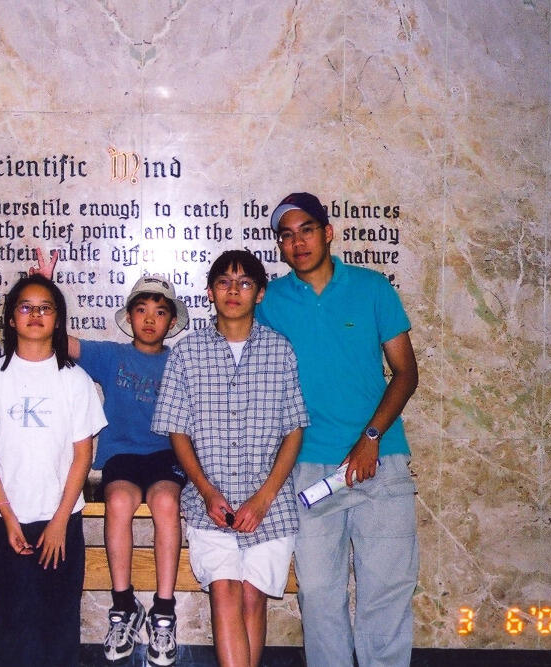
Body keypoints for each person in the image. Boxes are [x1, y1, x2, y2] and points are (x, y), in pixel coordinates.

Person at [256, 191, 420, 667]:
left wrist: (370, 439)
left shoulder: (372, 288)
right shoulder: (271, 304)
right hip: (307, 470)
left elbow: (406, 373)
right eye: (286, 236)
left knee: (386, 593)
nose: (297, 242)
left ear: (327, 232)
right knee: (320, 597)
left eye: (306, 229)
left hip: (379, 461)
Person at [31, 250, 189, 665]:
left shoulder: (181, 363)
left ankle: (164, 611)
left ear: (172, 322)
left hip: (165, 456)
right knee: (117, 501)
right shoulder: (111, 355)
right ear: (129, 317)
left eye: (159, 312)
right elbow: (56, 340)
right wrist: (45, 286)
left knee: (166, 503)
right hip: (121, 456)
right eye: (141, 310)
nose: (150, 319)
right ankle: (123, 606)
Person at [152, 250, 308, 667]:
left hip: (269, 502)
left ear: (259, 294)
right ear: (209, 292)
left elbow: (294, 428)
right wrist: (205, 490)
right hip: (210, 503)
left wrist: (264, 497)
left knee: (254, 599)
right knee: (225, 591)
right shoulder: (187, 354)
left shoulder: (280, 351)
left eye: (244, 283)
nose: (233, 291)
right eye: (224, 282)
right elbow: (177, 429)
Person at [0, 274, 108, 667]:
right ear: (11, 319)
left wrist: (60, 520)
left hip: (60, 519)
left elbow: (83, 455)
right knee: (13, 619)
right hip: (4, 517)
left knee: (58, 619)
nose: (35, 314)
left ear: (57, 320)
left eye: (45, 308)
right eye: (25, 307)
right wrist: (9, 517)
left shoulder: (74, 380)